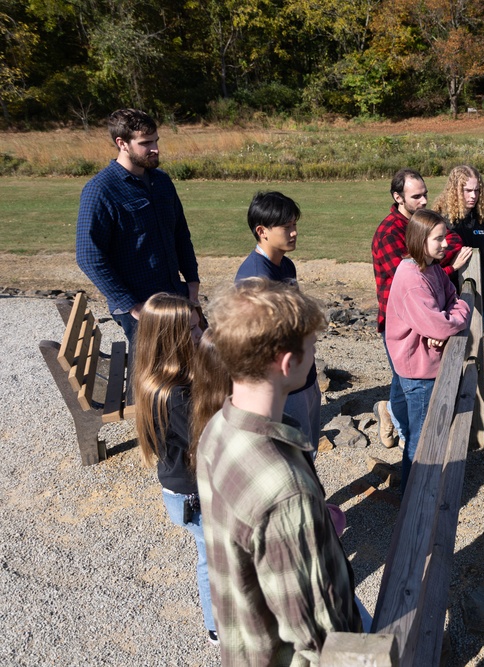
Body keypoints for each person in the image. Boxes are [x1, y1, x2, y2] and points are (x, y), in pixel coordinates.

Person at [197, 278, 362, 665]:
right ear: (288, 363)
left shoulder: (217, 428)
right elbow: (324, 644)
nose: (314, 356)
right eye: (312, 348)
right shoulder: (286, 493)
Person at [76, 108, 200, 348]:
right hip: (140, 307)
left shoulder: (161, 180)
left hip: (176, 294)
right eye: (146, 143)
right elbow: (89, 256)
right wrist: (131, 305)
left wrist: (192, 281)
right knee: (152, 379)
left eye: (156, 140)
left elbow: (180, 234)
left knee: (189, 366)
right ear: (122, 143)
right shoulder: (100, 190)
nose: (155, 148)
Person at [131, 293, 216, 645]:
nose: (202, 333)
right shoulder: (177, 396)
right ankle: (217, 626)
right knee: (211, 560)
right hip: (193, 495)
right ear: (175, 339)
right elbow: (210, 440)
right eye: (195, 329)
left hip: (181, 488)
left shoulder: (154, 378)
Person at [371, 168, 472, 450]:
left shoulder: (426, 252)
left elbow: (453, 243)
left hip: (425, 321)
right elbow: (405, 293)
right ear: (398, 197)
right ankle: (406, 441)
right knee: (409, 394)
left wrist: (444, 312)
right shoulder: (389, 235)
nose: (425, 200)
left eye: (425, 193)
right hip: (404, 327)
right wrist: (439, 322)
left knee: (407, 391)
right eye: (417, 196)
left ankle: (400, 427)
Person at [385, 209, 471, 490]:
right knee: (420, 439)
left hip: (421, 361)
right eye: (439, 239)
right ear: (421, 240)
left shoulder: (432, 268)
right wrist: (444, 325)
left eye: (445, 237)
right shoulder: (412, 279)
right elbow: (440, 324)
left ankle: (416, 489)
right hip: (418, 370)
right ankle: (412, 499)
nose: (446, 244)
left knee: (417, 431)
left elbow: (452, 298)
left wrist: (447, 321)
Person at [235, 191, 321, 454]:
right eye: (286, 226)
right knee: (295, 455)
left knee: (309, 448)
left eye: (295, 225)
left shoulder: (286, 265)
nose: (294, 232)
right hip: (282, 386)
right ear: (262, 231)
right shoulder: (255, 279)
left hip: (304, 377)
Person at [432, 165, 484, 327]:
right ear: (455, 190)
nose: (473, 196)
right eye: (467, 190)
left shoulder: (483, 222)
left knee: (476, 346)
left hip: (481, 295)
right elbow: (432, 265)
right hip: (451, 300)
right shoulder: (442, 222)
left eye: (477, 190)